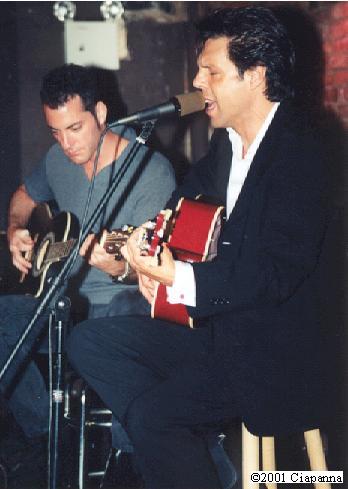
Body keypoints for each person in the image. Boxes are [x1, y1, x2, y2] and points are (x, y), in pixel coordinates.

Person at [68, 6, 332, 489]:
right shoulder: (227, 146)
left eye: (211, 71)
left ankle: (176, 444)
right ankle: (193, 454)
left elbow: (274, 272)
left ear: (255, 76)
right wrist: (135, 261)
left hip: (277, 354)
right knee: (90, 343)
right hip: (220, 339)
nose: (197, 82)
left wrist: (179, 279)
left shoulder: (306, 152)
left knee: (153, 418)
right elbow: (176, 216)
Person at [0, 64, 175, 486]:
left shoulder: (150, 171)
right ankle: (44, 434)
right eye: (55, 131)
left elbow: (157, 272)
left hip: (121, 304)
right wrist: (15, 230)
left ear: (100, 113)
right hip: (59, 300)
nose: (66, 143)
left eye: (75, 128)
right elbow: (24, 195)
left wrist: (120, 267)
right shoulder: (57, 159)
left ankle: (128, 458)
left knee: (122, 309)